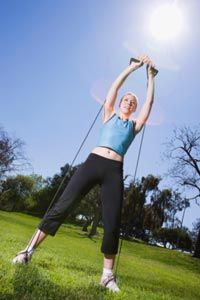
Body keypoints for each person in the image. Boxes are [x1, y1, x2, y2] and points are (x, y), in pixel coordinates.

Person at [13, 54, 156, 293]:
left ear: (134, 109)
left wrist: (150, 77)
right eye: (127, 100)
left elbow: (149, 105)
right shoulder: (109, 114)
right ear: (120, 103)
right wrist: (131, 68)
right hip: (92, 163)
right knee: (62, 207)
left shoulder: (134, 126)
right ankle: (27, 252)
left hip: (114, 171)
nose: (129, 103)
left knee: (112, 223)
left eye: (133, 102)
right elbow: (114, 88)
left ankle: (107, 277)